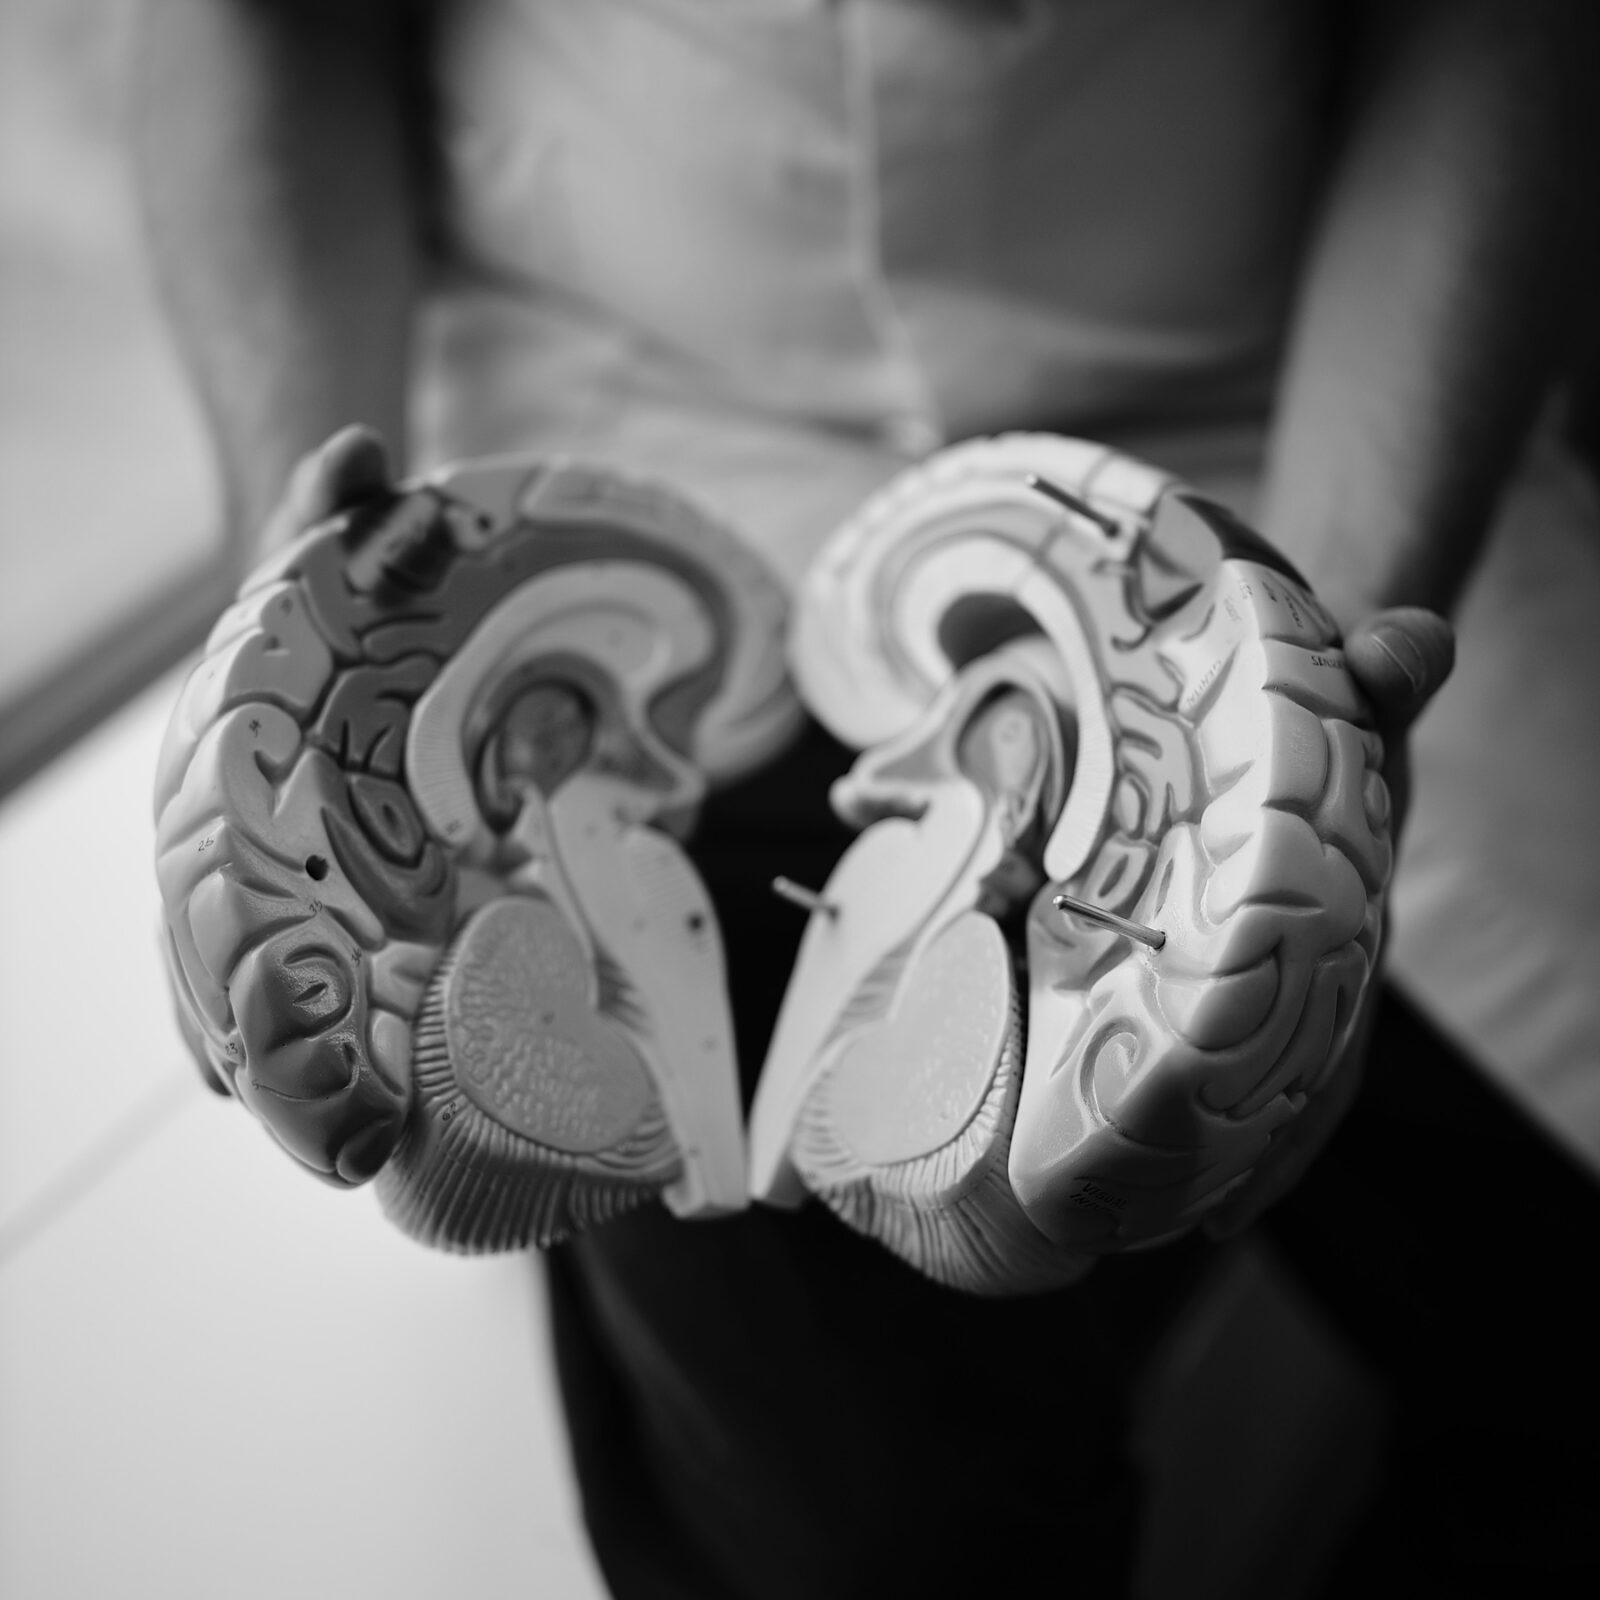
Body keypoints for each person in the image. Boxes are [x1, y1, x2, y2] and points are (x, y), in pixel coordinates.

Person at [130, 1, 1600, 1593]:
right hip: (612, 454)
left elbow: (1497, 29)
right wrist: (298, 631)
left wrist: (1303, 697)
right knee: (865, 1536)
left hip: (1265, 438)